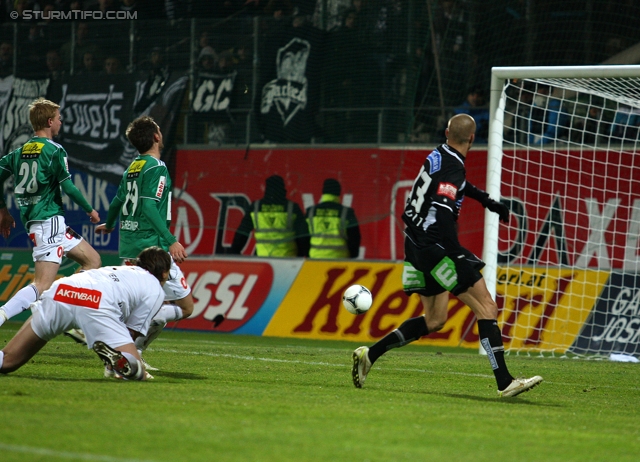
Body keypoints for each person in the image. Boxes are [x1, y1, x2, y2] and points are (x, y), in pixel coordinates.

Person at [351, 114, 543, 398]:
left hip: (415, 245)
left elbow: (458, 187)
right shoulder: (454, 166)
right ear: (472, 139)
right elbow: (442, 212)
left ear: (447, 132)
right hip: (437, 248)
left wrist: (488, 203)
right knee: (487, 308)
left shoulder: (438, 155)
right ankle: (504, 381)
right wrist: (456, 254)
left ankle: (370, 354)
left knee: (434, 319)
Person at [94, 116, 193, 370]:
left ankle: (130, 352)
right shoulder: (156, 167)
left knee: (149, 306)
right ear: (157, 137)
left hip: (130, 246)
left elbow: (117, 201)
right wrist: (171, 241)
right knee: (185, 306)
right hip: (152, 248)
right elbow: (148, 205)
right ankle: (124, 353)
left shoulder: (133, 167)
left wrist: (112, 223)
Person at [0, 98, 101, 327]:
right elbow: (68, 187)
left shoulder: (19, 152)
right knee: (41, 284)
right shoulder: (55, 150)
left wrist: (3, 211)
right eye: (58, 119)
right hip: (48, 221)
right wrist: (89, 209)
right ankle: (3, 314)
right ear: (49, 121)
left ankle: (57, 302)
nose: (60, 122)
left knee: (92, 260)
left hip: (46, 223)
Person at [0, 247, 171, 381]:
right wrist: (128, 359)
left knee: (8, 361)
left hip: (63, 289)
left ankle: (92, 337)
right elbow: (131, 332)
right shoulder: (156, 289)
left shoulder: (119, 270)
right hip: (97, 301)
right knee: (136, 370)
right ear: (164, 273)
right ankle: (113, 358)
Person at [230, 175, 310, 257]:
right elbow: (303, 237)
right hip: (288, 259)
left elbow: (242, 233)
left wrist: (234, 252)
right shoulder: (292, 207)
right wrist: (303, 255)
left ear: (266, 189)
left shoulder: (256, 207)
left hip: (263, 258)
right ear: (282, 188)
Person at [305, 178, 360, 259]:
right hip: (340, 259)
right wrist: (352, 255)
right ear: (338, 193)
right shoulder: (347, 213)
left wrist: (308, 254)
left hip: (315, 259)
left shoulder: (310, 212)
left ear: (323, 192)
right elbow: (354, 238)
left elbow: (303, 238)